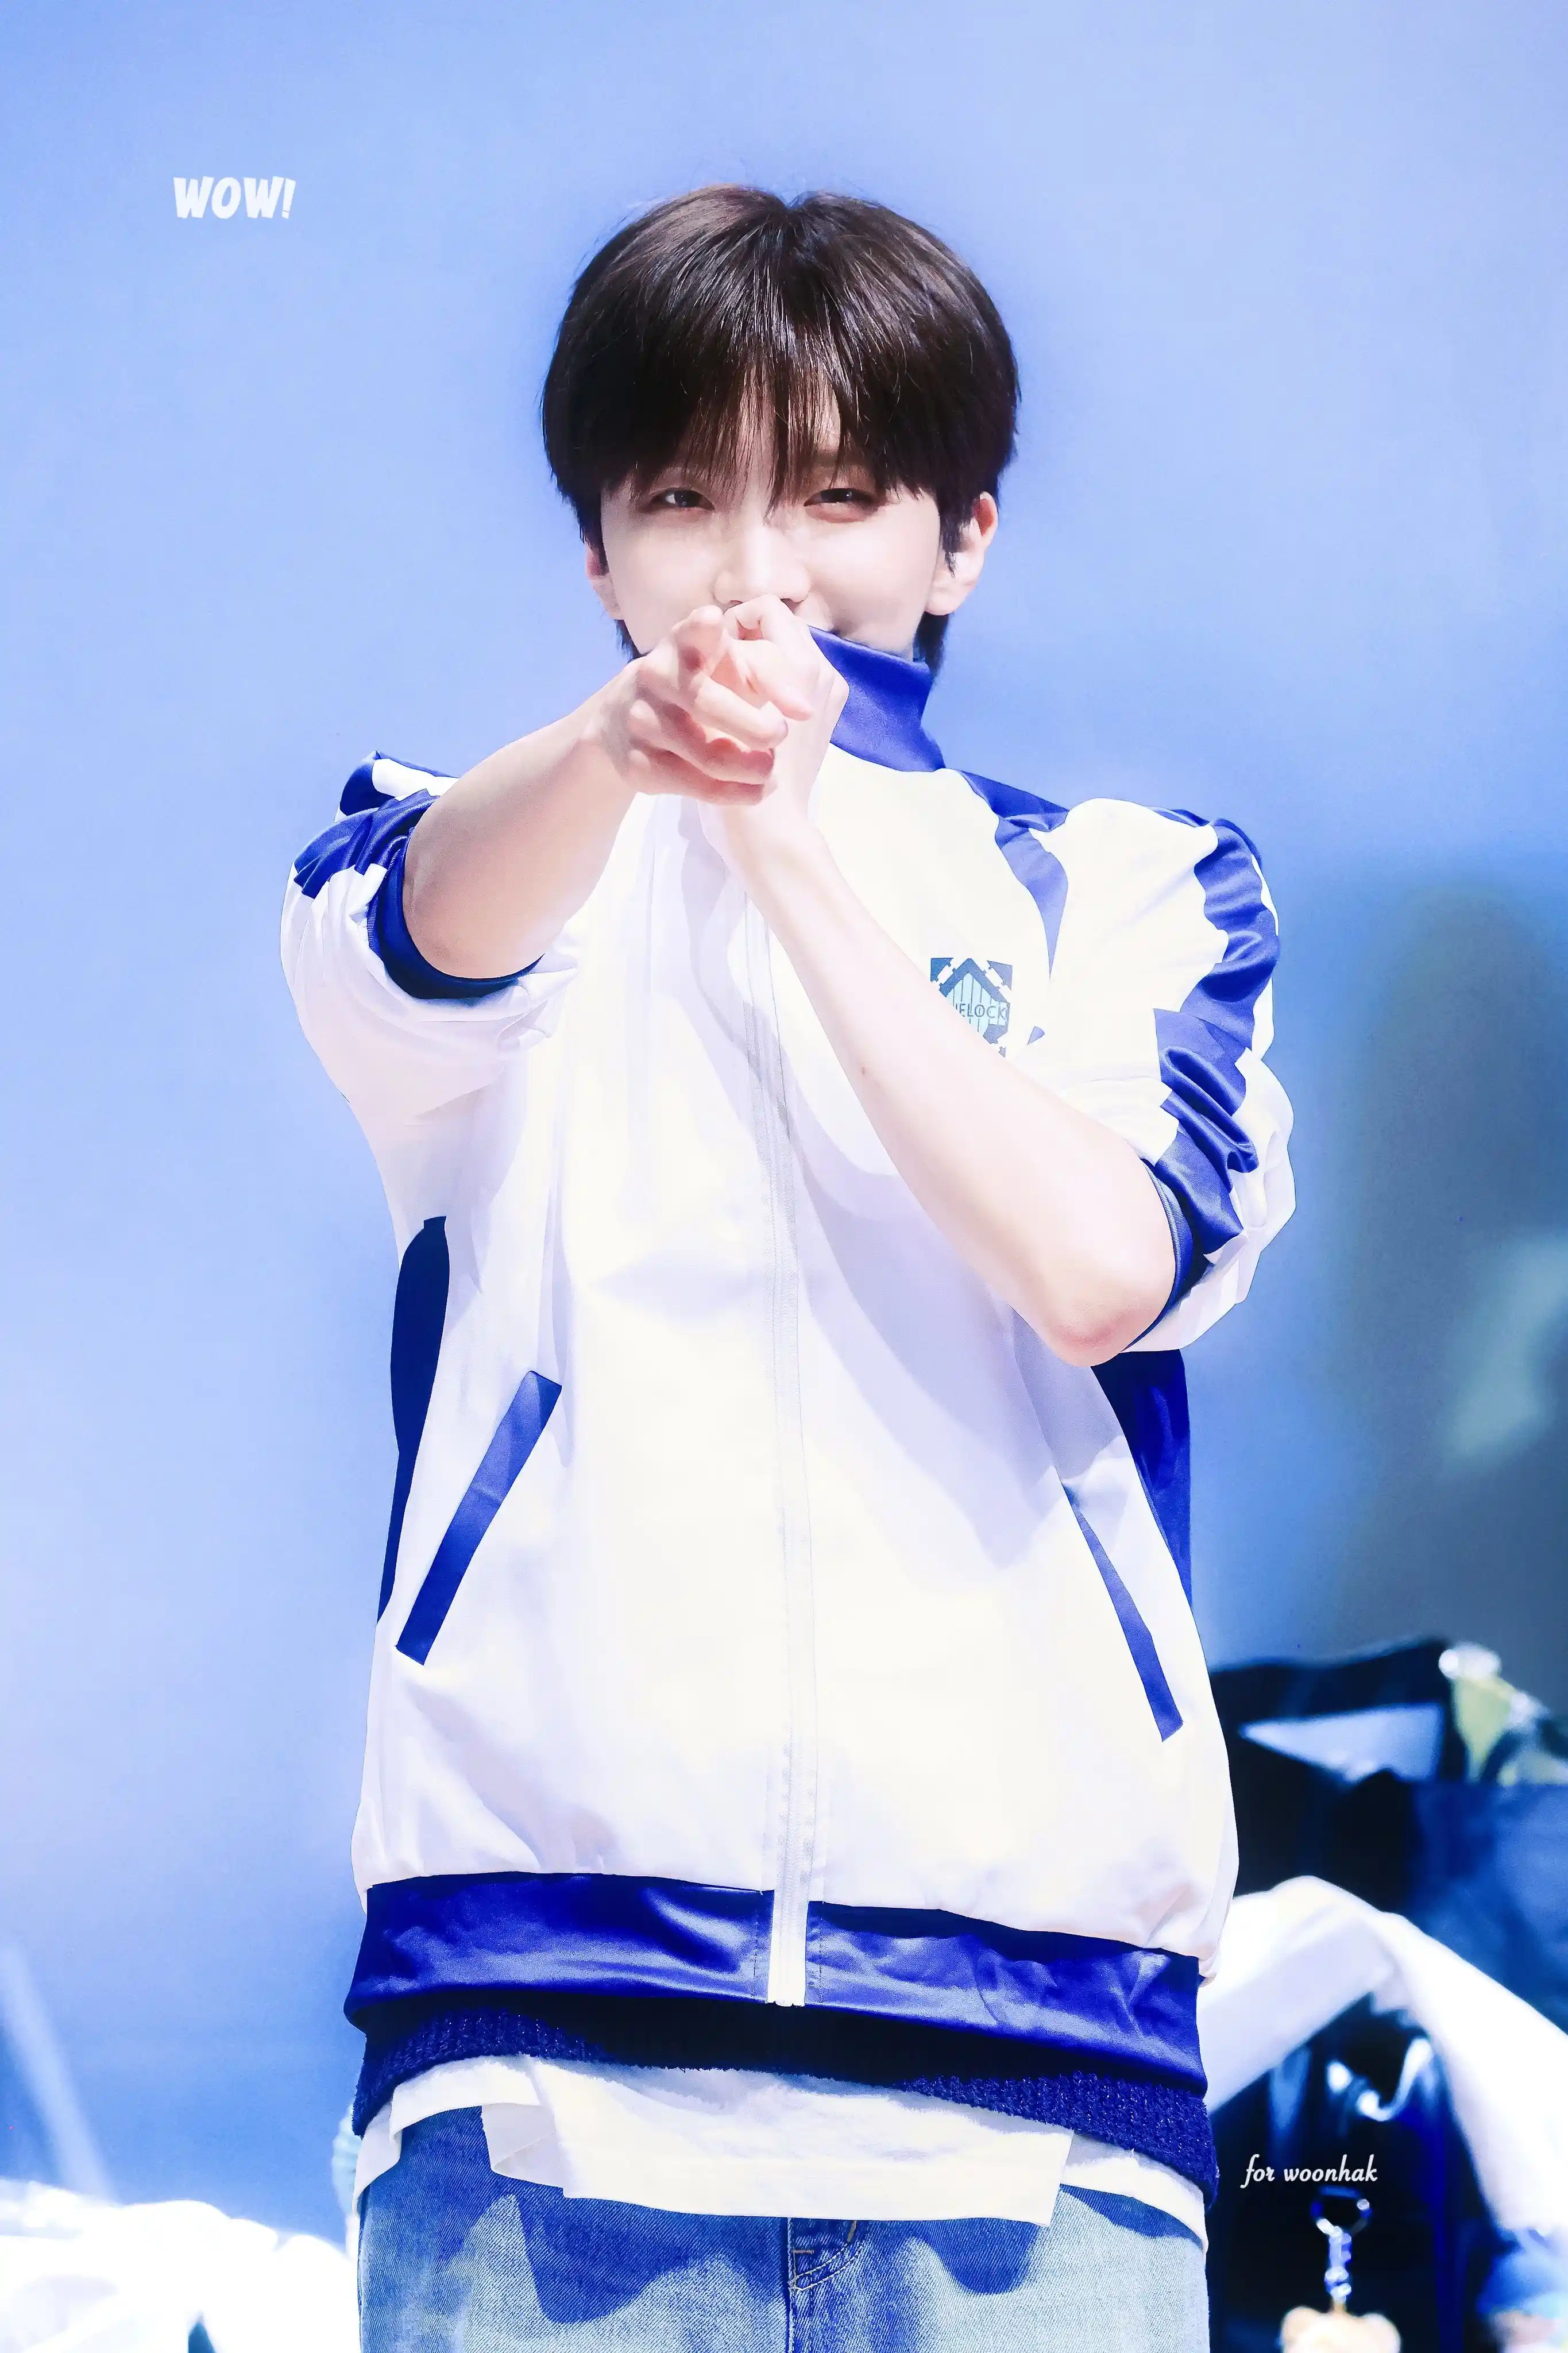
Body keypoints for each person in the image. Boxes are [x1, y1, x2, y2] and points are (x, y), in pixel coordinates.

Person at [283, 185, 1293, 2351]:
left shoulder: (1133, 895)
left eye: (835, 495)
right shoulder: (468, 847)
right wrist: (630, 765)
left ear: (962, 539)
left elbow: (1098, 1269)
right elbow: (411, 947)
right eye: (682, 497)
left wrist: (792, 850)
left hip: (1037, 2076)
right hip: (540, 2053)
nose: (756, 567)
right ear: (598, 553)